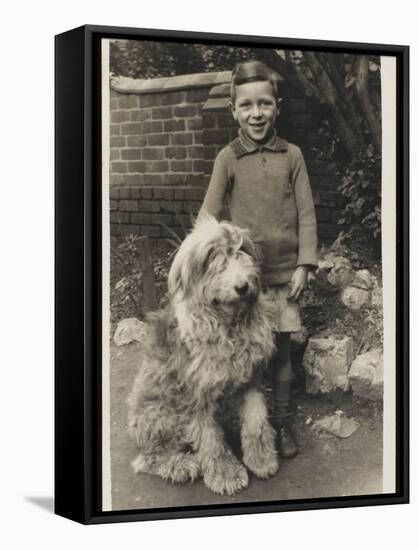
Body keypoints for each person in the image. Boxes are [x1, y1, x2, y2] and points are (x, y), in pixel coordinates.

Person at [198, 60, 318, 458]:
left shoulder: (292, 156)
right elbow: (208, 218)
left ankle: (280, 426)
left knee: (281, 356)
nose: (256, 113)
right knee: (248, 361)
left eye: (264, 104)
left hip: (283, 279)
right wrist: (211, 265)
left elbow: (307, 213)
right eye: (246, 105)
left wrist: (304, 263)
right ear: (234, 110)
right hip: (244, 286)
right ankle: (251, 429)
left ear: (277, 107)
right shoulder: (228, 159)